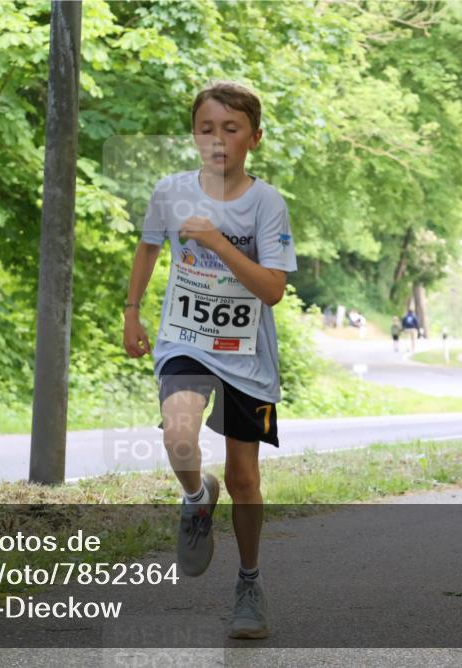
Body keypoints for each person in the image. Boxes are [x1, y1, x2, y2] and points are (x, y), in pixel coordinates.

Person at [122, 81, 297, 640]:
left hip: (247, 354)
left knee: (245, 477)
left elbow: (272, 290)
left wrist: (220, 242)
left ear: (255, 138)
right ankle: (197, 498)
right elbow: (149, 246)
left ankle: (249, 583)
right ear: (193, 135)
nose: (217, 140)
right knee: (178, 432)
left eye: (231, 128)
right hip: (185, 337)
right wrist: (132, 310)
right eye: (206, 128)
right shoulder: (171, 191)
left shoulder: (265, 203)